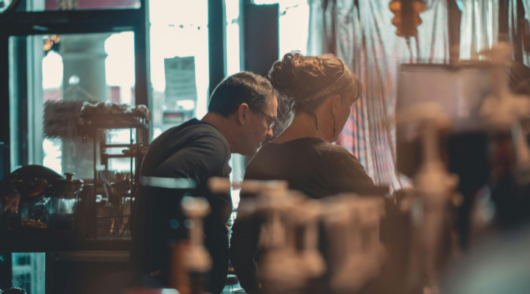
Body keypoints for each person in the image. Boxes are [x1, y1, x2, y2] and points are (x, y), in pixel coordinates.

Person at [229, 52, 377, 294]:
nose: (348, 114)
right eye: (349, 105)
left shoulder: (261, 161)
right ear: (336, 103)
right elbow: (385, 229)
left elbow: (240, 251)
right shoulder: (335, 161)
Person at [130, 71, 278, 294]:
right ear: (244, 113)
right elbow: (167, 180)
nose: (270, 132)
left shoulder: (174, 135)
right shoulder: (213, 145)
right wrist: (167, 263)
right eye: (269, 120)